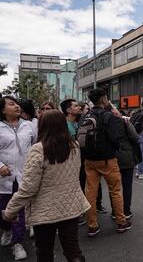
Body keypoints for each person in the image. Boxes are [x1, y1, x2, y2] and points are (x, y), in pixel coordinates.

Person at [2, 110, 90, 262]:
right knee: (73, 250)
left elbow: (28, 188)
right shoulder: (74, 145)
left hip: (45, 211)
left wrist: (10, 211)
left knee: (44, 252)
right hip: (71, 205)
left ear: (42, 126)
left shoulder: (38, 149)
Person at [83, 88, 132, 237]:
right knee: (115, 190)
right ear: (104, 99)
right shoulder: (108, 116)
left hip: (89, 160)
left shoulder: (87, 115)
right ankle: (121, 222)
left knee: (90, 193)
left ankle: (92, 225)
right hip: (107, 160)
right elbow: (116, 138)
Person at [0, 96, 37, 260]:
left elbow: (35, 146)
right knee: (4, 211)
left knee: (19, 211)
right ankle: (6, 230)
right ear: (2, 110)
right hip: (4, 179)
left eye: (16, 103)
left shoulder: (29, 125)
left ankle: (17, 243)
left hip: (24, 176)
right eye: (11, 104)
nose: (16, 106)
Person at [110, 105, 141, 219]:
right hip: (126, 158)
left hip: (112, 158)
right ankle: (126, 211)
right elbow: (135, 137)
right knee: (127, 185)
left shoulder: (105, 124)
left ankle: (115, 211)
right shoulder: (124, 122)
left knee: (113, 187)